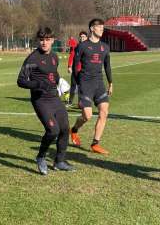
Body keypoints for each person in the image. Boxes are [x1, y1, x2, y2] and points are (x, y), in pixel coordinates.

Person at [17, 27, 74, 175]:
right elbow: (21, 81)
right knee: (53, 130)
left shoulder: (54, 56)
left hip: (55, 98)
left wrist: (59, 82)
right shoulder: (32, 58)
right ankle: (41, 157)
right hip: (40, 100)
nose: (44, 43)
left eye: (47, 40)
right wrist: (37, 84)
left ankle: (59, 161)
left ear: (52, 40)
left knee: (64, 129)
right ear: (38, 40)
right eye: (41, 40)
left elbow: (53, 74)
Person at [70, 19, 113, 155]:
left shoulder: (105, 47)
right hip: (85, 84)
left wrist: (111, 83)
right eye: (99, 27)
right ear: (92, 29)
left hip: (99, 83)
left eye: (102, 27)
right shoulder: (82, 46)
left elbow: (107, 66)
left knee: (104, 112)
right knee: (87, 116)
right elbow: (76, 66)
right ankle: (74, 130)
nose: (102, 29)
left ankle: (95, 143)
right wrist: (78, 84)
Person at [67, 31, 88, 106]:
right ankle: (70, 101)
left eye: (84, 37)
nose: (82, 38)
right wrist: (69, 66)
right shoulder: (76, 47)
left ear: (86, 38)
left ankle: (80, 102)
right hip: (75, 69)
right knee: (73, 85)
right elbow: (71, 56)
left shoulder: (89, 47)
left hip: (84, 70)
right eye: (81, 37)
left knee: (82, 86)